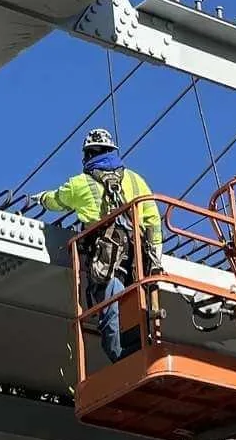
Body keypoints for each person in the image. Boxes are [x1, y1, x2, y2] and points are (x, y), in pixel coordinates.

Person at [40, 128, 162, 363]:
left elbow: (57, 200)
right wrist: (155, 256)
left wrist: (43, 198)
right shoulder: (136, 180)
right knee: (138, 307)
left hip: (106, 260)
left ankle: (123, 357)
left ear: (87, 156)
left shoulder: (80, 183)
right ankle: (143, 347)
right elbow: (153, 220)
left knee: (111, 321)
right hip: (136, 259)